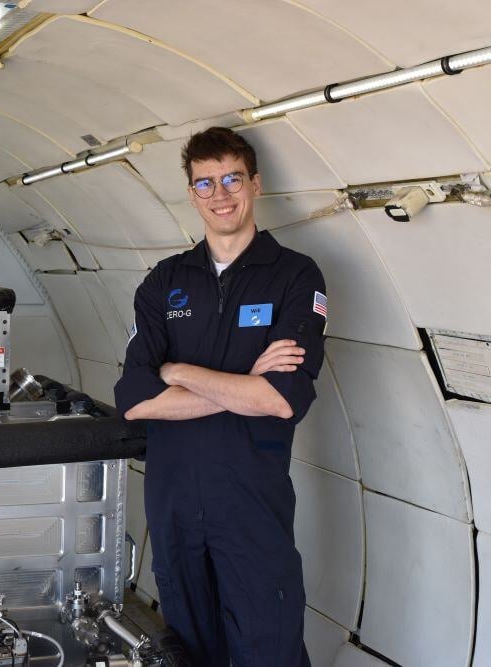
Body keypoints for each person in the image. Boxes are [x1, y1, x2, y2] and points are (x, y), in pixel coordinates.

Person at [115, 127, 326, 666]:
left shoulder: (295, 277)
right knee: (187, 649)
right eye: (205, 182)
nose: (220, 193)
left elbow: (280, 400)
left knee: (269, 647)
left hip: (251, 502)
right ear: (191, 194)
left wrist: (179, 369)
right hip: (175, 505)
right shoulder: (164, 283)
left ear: (254, 184)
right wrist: (243, 382)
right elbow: (137, 401)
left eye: (232, 177)